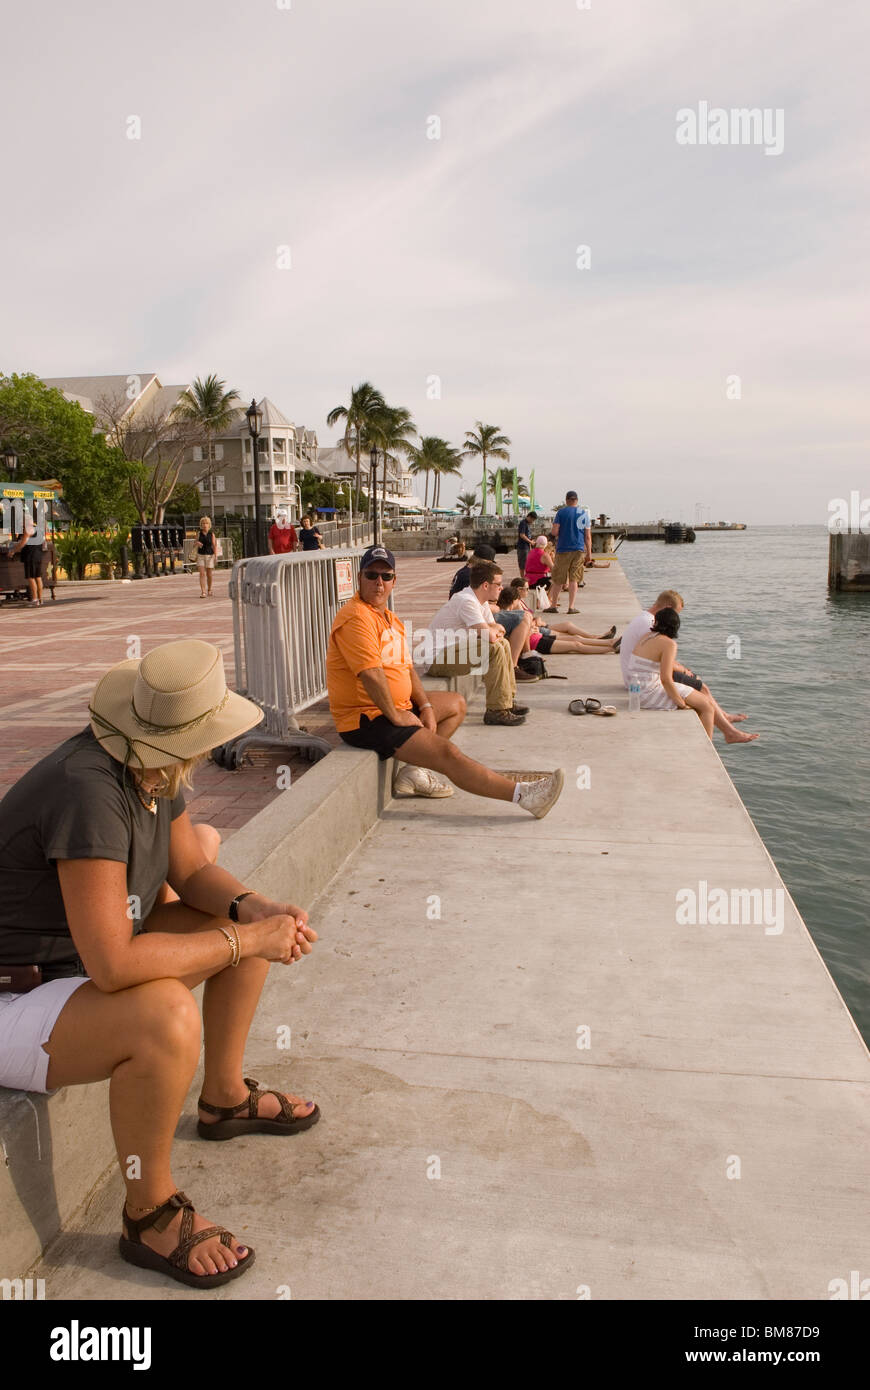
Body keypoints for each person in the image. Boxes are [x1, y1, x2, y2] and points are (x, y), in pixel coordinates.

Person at [0, 639, 320, 1289]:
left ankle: (224, 1098)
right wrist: (246, 941)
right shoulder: (89, 790)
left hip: (69, 969)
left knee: (238, 925)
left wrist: (255, 909)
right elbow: (115, 964)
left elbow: (193, 870)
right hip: (17, 995)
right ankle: (148, 1215)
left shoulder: (149, 761)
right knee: (166, 1016)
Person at [327, 545, 564, 814]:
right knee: (447, 754)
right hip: (367, 717)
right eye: (371, 575)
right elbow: (371, 673)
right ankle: (525, 796)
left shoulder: (388, 618)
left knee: (455, 704)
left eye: (386, 576)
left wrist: (425, 706)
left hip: (392, 708)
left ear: (394, 580)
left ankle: (413, 772)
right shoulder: (356, 618)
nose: (379, 582)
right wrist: (395, 715)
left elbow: (406, 669)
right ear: (359, 578)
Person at [620, 590, 756, 743]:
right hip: (648, 692)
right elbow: (666, 679)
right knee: (706, 706)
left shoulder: (647, 635)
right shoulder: (668, 644)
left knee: (703, 701)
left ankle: (724, 729)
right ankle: (709, 745)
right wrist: (680, 702)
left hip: (638, 687)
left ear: (656, 622)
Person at [428, 559, 539, 727]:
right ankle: (496, 710)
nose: (501, 588)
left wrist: (494, 630)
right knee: (495, 648)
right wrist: (493, 630)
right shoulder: (467, 601)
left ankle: (507, 701)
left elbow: (496, 631)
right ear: (486, 585)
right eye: (498, 584)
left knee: (503, 645)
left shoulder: (481, 601)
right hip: (437, 659)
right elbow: (491, 636)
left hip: (453, 652)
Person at [497, 585, 619, 656]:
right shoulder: (507, 617)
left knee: (576, 638)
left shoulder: (508, 615)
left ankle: (611, 642)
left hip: (538, 637)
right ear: (513, 601)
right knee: (576, 645)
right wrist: (530, 630)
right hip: (537, 643)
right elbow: (514, 637)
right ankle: (612, 648)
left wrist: (531, 628)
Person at [544, 490, 591, 614]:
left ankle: (553, 606)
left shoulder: (561, 513)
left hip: (563, 549)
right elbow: (587, 537)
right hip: (579, 549)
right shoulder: (584, 514)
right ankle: (571, 607)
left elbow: (554, 532)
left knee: (558, 578)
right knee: (574, 579)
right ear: (577, 500)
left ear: (567, 500)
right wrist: (589, 554)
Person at [8, 504, 44, 606]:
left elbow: (22, 543)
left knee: (31, 578)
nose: (21, 523)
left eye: (22, 521)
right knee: (38, 577)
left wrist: (13, 551)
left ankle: (35, 599)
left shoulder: (28, 530)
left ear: (26, 522)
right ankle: (40, 599)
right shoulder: (38, 529)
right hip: (38, 556)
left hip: (30, 557)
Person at [195, 516, 218, 597]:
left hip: (210, 556)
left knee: (209, 574)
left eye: (206, 523)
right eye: (203, 523)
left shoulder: (212, 534)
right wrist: (197, 543)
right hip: (200, 555)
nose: (205, 525)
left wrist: (216, 556)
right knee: (202, 574)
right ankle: (203, 592)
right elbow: (195, 543)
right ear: (201, 525)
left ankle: (209, 589)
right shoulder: (199, 534)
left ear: (209, 525)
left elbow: (214, 545)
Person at [516, 511, 536, 577]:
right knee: (522, 564)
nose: (532, 521)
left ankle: (526, 577)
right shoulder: (523, 523)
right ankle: (522, 578)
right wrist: (530, 542)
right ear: (529, 517)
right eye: (532, 520)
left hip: (526, 547)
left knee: (527, 563)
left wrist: (531, 540)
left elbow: (528, 535)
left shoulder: (527, 524)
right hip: (522, 547)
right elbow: (522, 535)